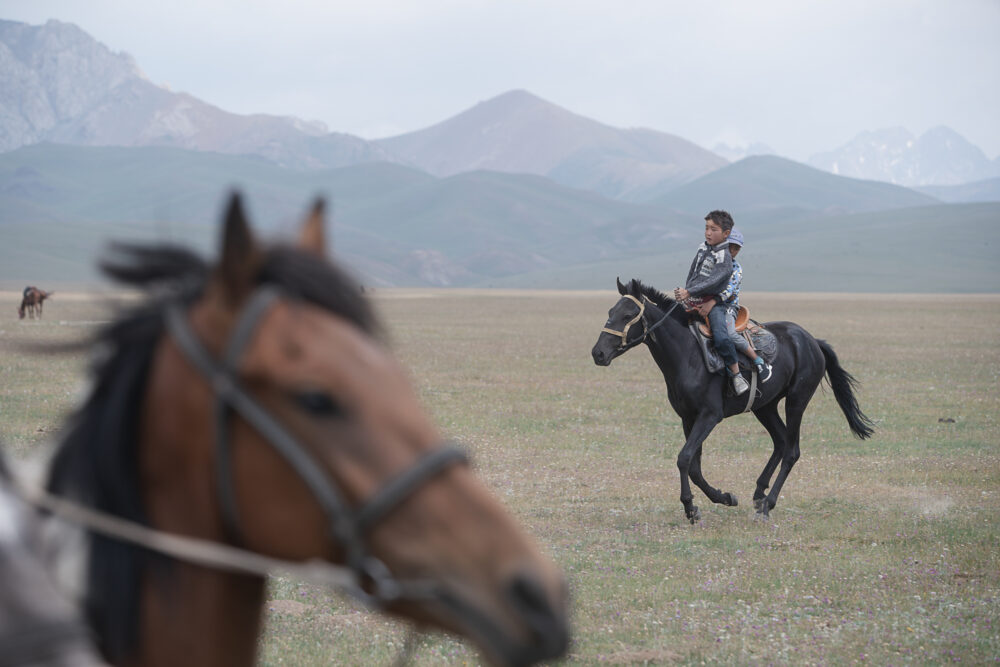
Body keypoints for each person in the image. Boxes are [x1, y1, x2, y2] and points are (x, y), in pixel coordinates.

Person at [673, 210, 748, 395]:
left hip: (715, 303)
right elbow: (694, 271)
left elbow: (714, 280)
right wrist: (686, 292)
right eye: (706, 228)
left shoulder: (725, 257)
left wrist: (689, 291)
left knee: (722, 337)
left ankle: (736, 374)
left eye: (713, 229)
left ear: (726, 233)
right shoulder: (703, 248)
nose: (708, 232)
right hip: (695, 298)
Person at [719, 229, 772, 382]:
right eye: (729, 246)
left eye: (736, 248)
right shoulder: (714, 264)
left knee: (729, 334)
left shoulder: (736, 269)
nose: (732, 251)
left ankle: (759, 362)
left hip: (727, 307)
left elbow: (727, 292)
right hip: (709, 305)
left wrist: (711, 300)